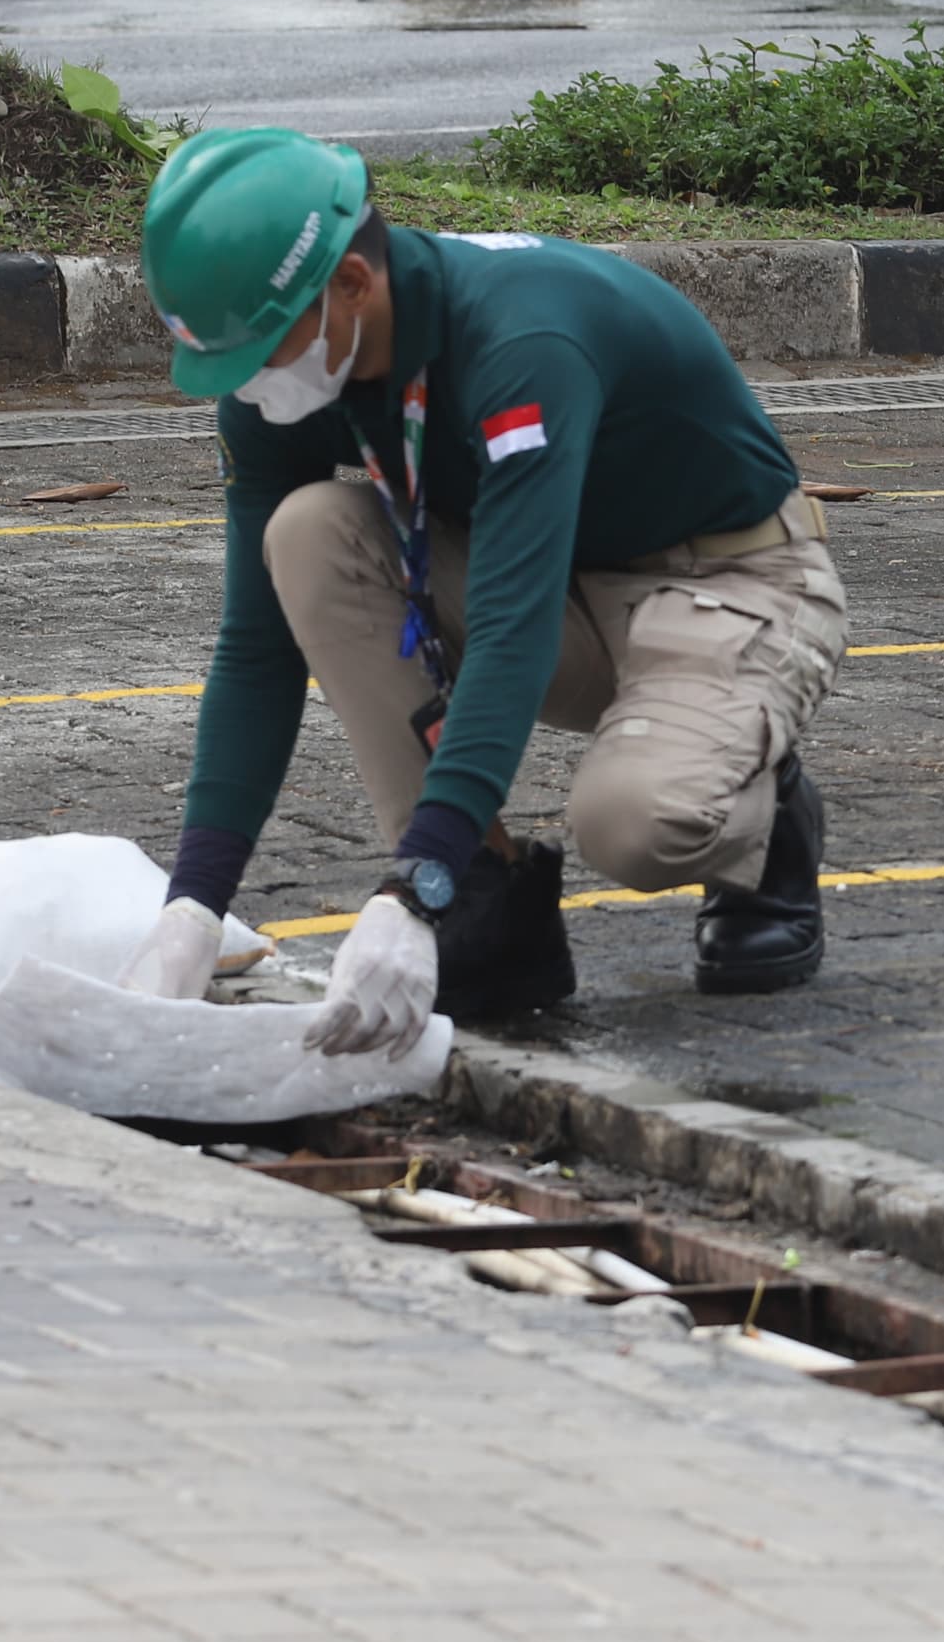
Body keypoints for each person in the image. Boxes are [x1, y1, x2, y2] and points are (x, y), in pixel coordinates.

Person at [112, 130, 851, 1057]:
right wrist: (193, 906)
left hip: (728, 581)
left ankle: (769, 812)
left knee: (631, 824)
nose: (245, 380)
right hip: (557, 587)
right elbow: (256, 646)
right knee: (308, 534)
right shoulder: (288, 378)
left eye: (259, 348)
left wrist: (410, 885)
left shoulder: (521, 340)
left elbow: (510, 631)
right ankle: (485, 900)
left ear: (352, 283)